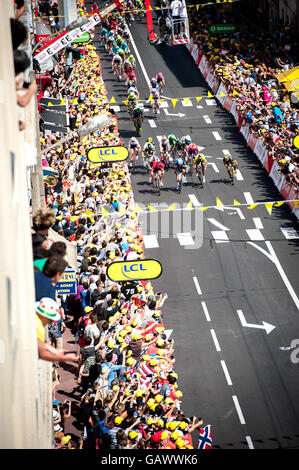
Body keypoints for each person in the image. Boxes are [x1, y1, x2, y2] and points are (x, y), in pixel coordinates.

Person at [35, 297, 78, 363]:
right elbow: (43, 354)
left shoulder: (35, 319)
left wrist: (56, 351)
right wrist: (67, 357)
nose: (50, 322)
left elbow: (41, 343)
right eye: (50, 319)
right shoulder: (39, 327)